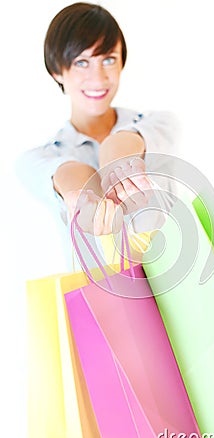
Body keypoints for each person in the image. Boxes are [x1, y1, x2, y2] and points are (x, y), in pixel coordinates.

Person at [16, 2, 179, 253]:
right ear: (57, 70)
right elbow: (68, 173)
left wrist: (119, 167)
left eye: (108, 59)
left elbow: (123, 142)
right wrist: (82, 195)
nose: (98, 78)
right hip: (102, 290)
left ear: (122, 62)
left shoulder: (159, 122)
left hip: (181, 285)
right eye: (82, 62)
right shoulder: (38, 158)